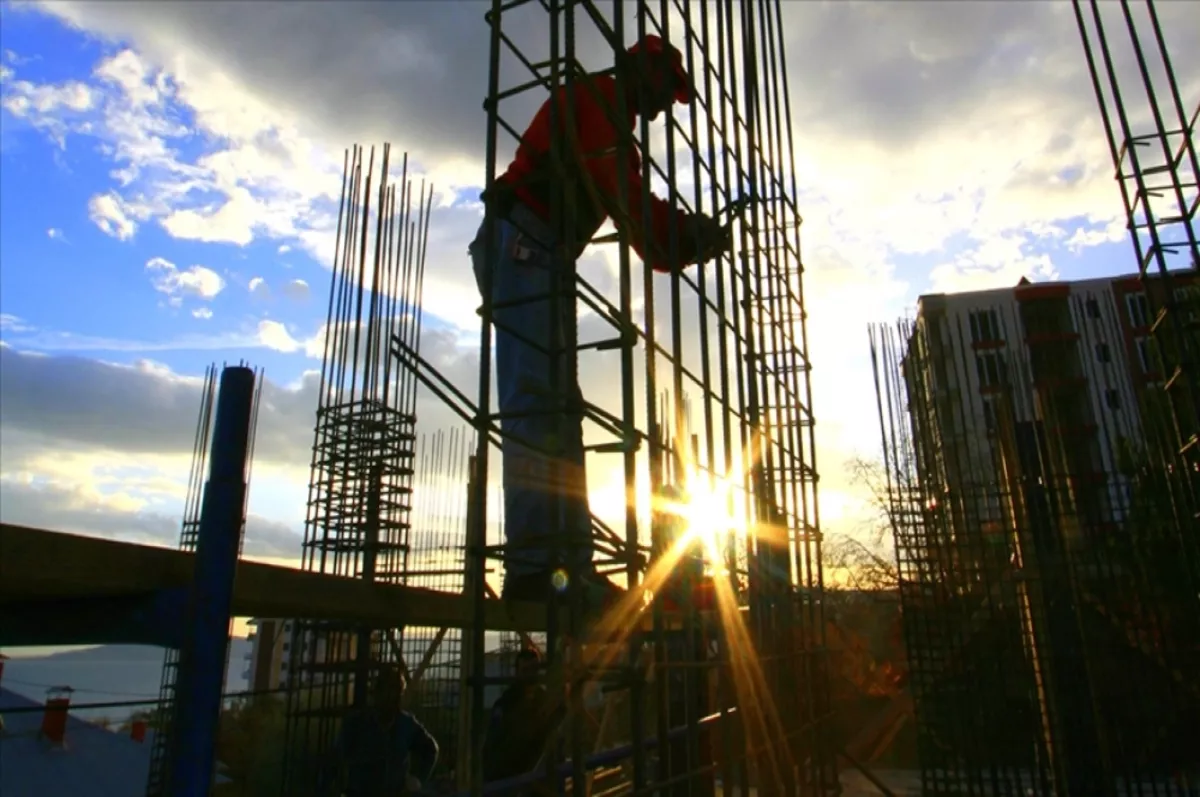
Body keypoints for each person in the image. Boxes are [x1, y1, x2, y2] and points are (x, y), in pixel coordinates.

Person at [469, 34, 731, 607]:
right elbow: (639, 219)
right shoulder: (597, 107)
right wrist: (694, 235)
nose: (664, 108)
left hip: (542, 251)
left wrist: (688, 236)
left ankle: (565, 568)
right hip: (524, 243)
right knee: (538, 406)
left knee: (559, 414)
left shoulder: (606, 116)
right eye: (665, 91)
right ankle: (536, 569)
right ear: (640, 73)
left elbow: (641, 219)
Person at [324, 667, 439, 796]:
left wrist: (418, 779)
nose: (391, 699)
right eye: (387, 692)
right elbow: (334, 759)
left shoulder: (406, 724)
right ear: (376, 693)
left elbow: (431, 748)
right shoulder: (356, 723)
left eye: (396, 693)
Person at [481, 647, 562, 785]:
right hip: (510, 775)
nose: (530, 674)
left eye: (534, 669)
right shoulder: (507, 703)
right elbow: (493, 745)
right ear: (517, 671)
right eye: (526, 670)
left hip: (535, 775)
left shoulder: (543, 700)